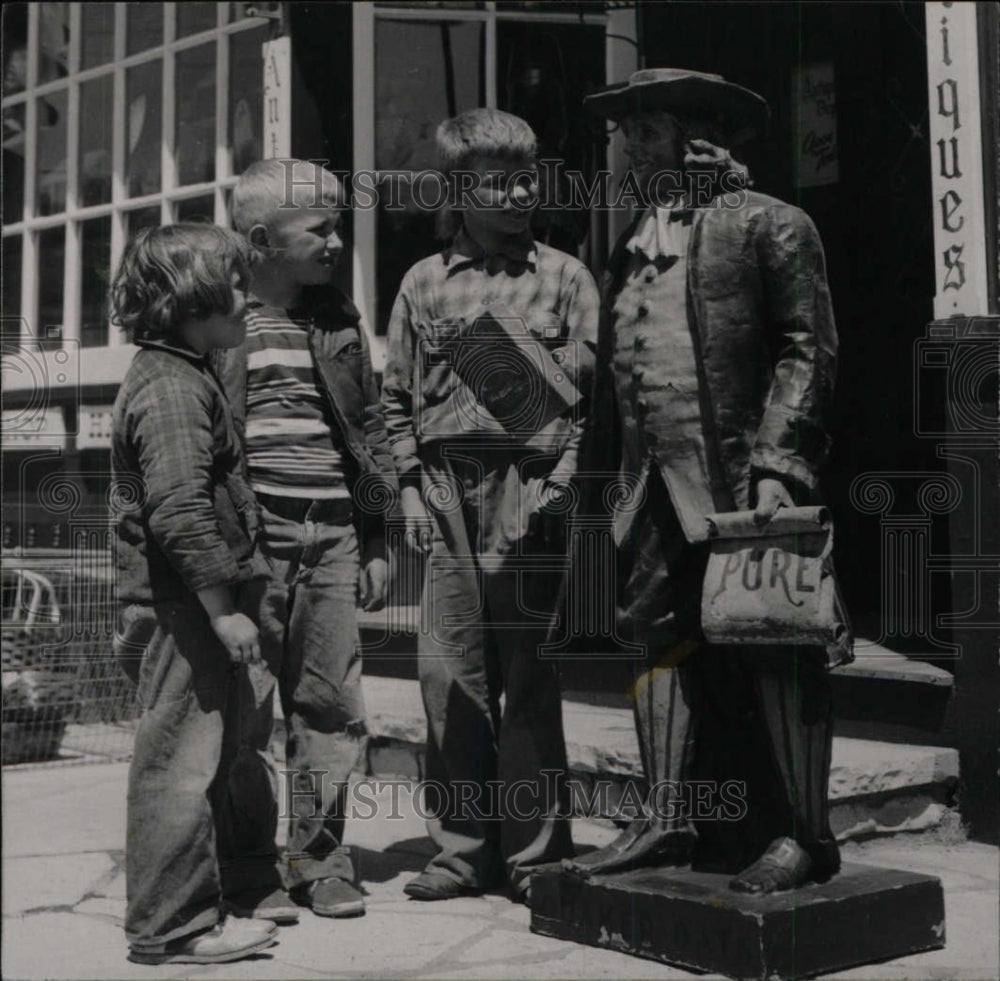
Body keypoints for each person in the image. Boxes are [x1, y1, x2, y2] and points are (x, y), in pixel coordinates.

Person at [564, 68, 843, 894]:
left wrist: (778, 463)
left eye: (640, 132)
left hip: (739, 478)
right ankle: (665, 816)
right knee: (652, 631)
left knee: (777, 638)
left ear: (691, 140)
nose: (623, 148)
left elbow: (808, 350)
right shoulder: (630, 240)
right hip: (650, 478)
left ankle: (804, 833)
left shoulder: (770, 225)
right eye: (623, 134)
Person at [380, 108, 600, 903]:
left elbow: (589, 403)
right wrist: (408, 483)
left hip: (530, 485)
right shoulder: (422, 282)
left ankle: (534, 855)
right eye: (495, 179)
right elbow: (395, 397)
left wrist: (564, 477)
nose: (516, 192)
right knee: (450, 675)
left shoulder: (568, 276)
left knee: (530, 676)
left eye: (526, 176)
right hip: (444, 490)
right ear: (457, 190)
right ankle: (461, 852)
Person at [213, 159, 398, 919]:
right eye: (318, 227)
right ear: (261, 240)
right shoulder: (217, 319)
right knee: (248, 707)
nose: (335, 239)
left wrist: (378, 534)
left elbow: (369, 427)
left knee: (329, 702)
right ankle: (250, 866)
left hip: (332, 537)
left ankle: (320, 859)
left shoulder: (339, 320)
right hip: (255, 541)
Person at [111, 224, 280, 964]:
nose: (249, 297)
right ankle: (171, 927)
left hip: (190, 604)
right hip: (185, 608)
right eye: (236, 285)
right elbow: (177, 508)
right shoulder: (173, 386)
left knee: (199, 757)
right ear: (189, 300)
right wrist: (223, 610)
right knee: (179, 765)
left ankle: (193, 910)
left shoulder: (180, 369)